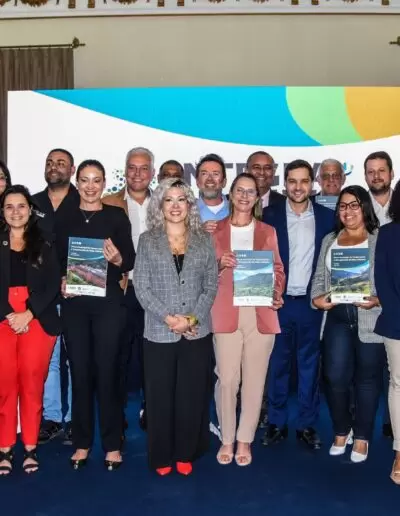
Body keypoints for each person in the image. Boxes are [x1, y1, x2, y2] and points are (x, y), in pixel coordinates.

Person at [134, 178, 218, 476]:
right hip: (159, 331)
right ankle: (161, 456)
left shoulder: (204, 240)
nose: (175, 206)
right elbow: (141, 287)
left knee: (191, 395)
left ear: (190, 205)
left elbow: (211, 285)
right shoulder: (147, 240)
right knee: (159, 397)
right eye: (168, 200)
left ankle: (186, 452)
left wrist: (191, 319)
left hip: (196, 331)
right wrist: (170, 319)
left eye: (181, 199)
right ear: (160, 205)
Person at [56, 159, 135, 470]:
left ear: (104, 184)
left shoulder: (116, 216)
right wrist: (62, 281)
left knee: (108, 372)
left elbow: (129, 259)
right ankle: (82, 443)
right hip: (75, 304)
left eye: (96, 180)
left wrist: (117, 259)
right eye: (85, 180)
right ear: (77, 182)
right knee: (80, 372)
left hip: (108, 305)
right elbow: (55, 259)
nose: (90, 186)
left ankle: (112, 445)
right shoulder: (65, 217)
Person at [212, 173, 285, 466]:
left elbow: (277, 269)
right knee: (227, 379)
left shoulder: (267, 231)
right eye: (239, 190)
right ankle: (227, 438)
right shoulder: (213, 230)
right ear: (230, 194)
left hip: (260, 312)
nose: (244, 196)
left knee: (255, 380)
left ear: (257, 197)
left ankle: (244, 439)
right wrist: (219, 264)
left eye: (250, 191)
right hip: (224, 311)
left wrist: (276, 292)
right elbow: (199, 272)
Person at [262, 159, 334, 449]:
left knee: (309, 366)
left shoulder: (328, 217)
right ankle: (276, 422)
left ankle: (306, 424)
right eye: (292, 181)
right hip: (278, 302)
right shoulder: (269, 215)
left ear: (312, 184)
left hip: (310, 303)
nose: (298, 187)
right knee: (277, 364)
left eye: (304, 181)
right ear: (285, 184)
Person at [311, 185, 384, 463]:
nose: (348, 211)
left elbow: (392, 280)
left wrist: (377, 300)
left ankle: (362, 436)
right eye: (343, 206)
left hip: (370, 318)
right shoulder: (330, 239)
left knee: (367, 380)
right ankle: (342, 429)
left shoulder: (380, 239)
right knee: (334, 377)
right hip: (337, 317)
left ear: (365, 207)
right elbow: (319, 278)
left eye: (354, 205)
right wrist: (317, 299)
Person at [0, 185, 61, 476]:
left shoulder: (45, 241)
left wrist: (28, 313)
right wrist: (9, 314)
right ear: (2, 212)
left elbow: (52, 283)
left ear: (30, 209)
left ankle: (30, 447)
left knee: (31, 383)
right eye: (9, 206)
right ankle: (5, 447)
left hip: (37, 316)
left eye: (21, 206)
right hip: (3, 317)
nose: (16, 212)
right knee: (5, 383)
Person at [102, 147, 154, 432]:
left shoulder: (165, 203)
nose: (137, 173)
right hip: (121, 289)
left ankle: (150, 407)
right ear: (125, 170)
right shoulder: (108, 202)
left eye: (144, 168)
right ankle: (117, 412)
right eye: (132, 167)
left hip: (155, 293)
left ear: (152, 173)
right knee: (117, 356)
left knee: (152, 356)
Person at [33, 148, 79, 445]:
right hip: (43, 295)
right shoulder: (32, 203)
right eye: (50, 162)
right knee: (48, 360)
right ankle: (51, 417)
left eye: (61, 163)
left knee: (75, 358)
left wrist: (73, 280)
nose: (54, 167)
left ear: (72, 170)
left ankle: (75, 419)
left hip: (76, 292)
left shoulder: (84, 201)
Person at [364, 150, 394, 438]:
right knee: (370, 369)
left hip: (395, 299)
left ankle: (391, 421)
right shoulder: (359, 207)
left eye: (381, 170)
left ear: (391, 174)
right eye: (371, 171)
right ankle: (364, 424)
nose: (376, 176)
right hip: (367, 300)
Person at [375, 179, 400, 484]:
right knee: (399, 384)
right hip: (398, 323)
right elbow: (383, 281)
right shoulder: (388, 233)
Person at [196, 153, 230, 233]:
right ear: (197, 182)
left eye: (215, 174)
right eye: (204, 174)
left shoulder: (236, 210)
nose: (210, 179)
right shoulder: (186, 212)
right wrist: (198, 233)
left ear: (224, 182)